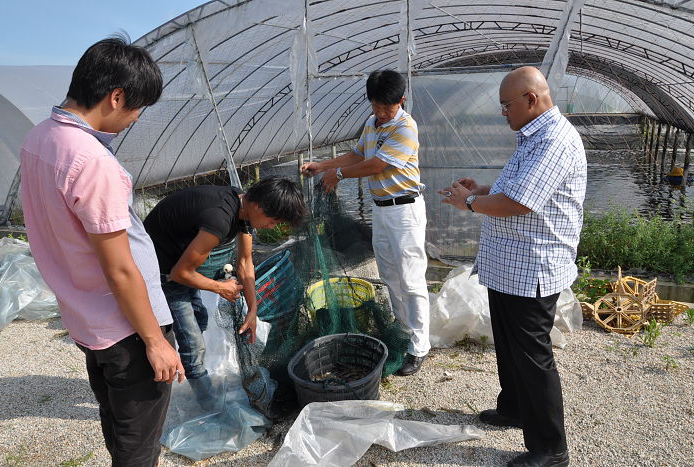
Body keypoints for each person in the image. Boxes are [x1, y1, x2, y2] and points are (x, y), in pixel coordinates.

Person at [20, 36, 184, 467]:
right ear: (116, 97)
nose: (133, 119)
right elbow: (120, 270)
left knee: (116, 418)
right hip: (126, 326)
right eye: (136, 109)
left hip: (86, 318)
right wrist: (155, 341)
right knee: (138, 442)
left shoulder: (40, 138)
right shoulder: (92, 162)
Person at [440, 66, 585, 467]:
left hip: (533, 267)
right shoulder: (532, 137)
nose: (503, 112)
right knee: (509, 346)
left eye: (507, 105)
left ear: (531, 100)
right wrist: (483, 191)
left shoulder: (554, 141)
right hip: (510, 266)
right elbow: (515, 190)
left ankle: (550, 449)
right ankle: (514, 409)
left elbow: (520, 204)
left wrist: (468, 203)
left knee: (533, 357)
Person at [301, 69, 430, 377]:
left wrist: (339, 175)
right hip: (383, 210)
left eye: (387, 106)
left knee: (411, 279)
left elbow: (377, 164)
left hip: (405, 211)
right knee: (389, 275)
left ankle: (419, 346)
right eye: (375, 105)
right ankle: (402, 333)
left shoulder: (405, 126)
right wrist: (324, 165)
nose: (381, 112)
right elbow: (357, 154)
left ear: (401, 101)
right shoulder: (372, 124)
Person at [143, 176, 306, 410]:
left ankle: (190, 365)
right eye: (273, 221)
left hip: (180, 263)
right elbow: (180, 274)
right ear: (259, 206)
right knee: (193, 344)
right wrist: (220, 287)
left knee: (199, 320)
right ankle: (210, 406)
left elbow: (245, 263)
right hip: (163, 272)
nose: (271, 227)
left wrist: (252, 310)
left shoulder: (243, 205)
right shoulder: (219, 218)